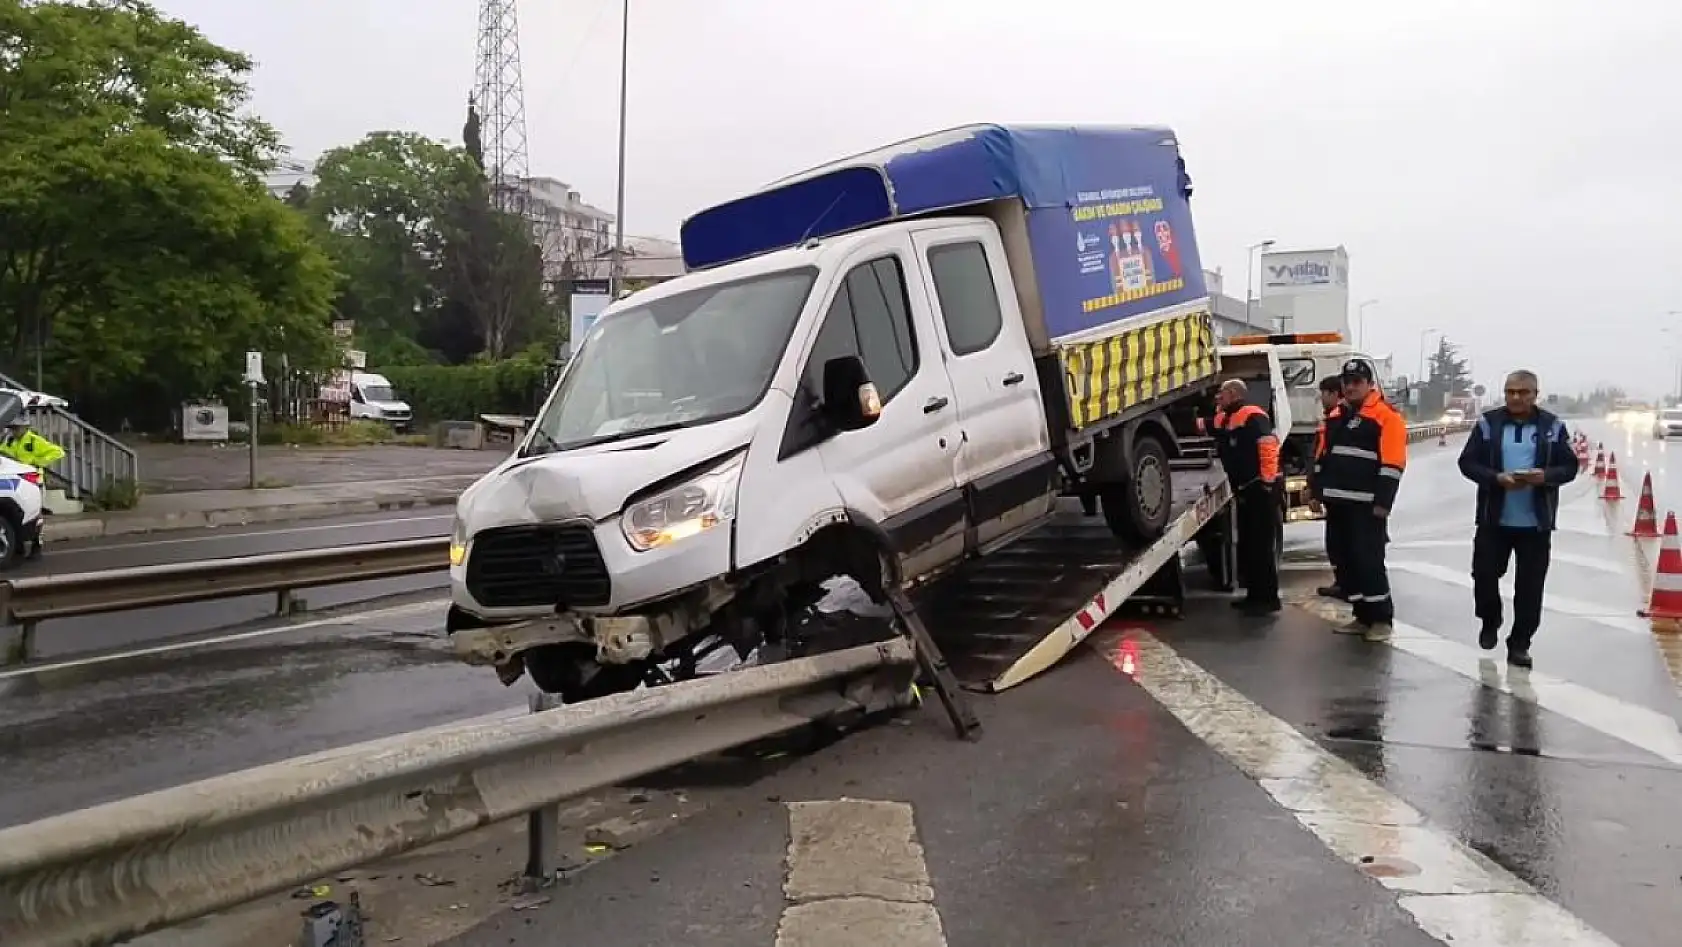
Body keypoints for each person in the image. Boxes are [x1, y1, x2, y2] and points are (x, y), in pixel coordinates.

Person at [1456, 370, 1577, 668]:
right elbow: (1467, 462)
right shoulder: (1488, 424)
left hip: (1535, 525)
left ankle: (1520, 643)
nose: (1516, 398)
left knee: (1530, 588)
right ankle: (1490, 618)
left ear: (1536, 394)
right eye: (1510, 392)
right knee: (1483, 576)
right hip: (1493, 520)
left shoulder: (1552, 427)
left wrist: (1544, 477)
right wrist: (1495, 478)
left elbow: (1570, 467)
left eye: (1523, 392)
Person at [1312, 360, 1407, 641]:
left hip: (1367, 507)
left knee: (1369, 561)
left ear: (1369, 384)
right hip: (1337, 504)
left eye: (1357, 381)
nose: (1351, 386)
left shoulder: (1385, 416)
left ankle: (1381, 619)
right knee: (1343, 560)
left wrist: (1383, 503)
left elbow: (1393, 463)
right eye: (1347, 381)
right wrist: (1316, 491)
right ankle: (1362, 615)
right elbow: (1323, 456)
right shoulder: (1336, 416)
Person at [1213, 379, 1283, 615]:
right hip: (1244, 489)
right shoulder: (1228, 417)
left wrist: (1266, 482)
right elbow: (1214, 428)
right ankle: (1255, 595)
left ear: (1233, 394)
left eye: (1221, 394)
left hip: (1258, 489)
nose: (1217, 398)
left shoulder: (1253, 415)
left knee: (1261, 546)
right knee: (1250, 545)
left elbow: (1267, 446)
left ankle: (1268, 598)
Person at [1308, 375, 1351, 600]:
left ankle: (1346, 585)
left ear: (1334, 394)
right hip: (1334, 492)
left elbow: (1325, 459)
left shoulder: (1338, 420)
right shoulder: (1332, 419)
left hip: (1337, 494)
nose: (1321, 398)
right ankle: (1342, 582)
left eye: (1323, 393)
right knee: (1335, 541)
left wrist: (1316, 490)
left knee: (1339, 541)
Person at [0, 414, 65, 471]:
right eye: (12, 428)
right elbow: (3, 454)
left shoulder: (34, 440)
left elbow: (58, 452)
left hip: (32, 475)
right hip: (17, 473)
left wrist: (36, 461)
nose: (13, 431)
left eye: (16, 428)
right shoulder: (10, 441)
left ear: (25, 427)